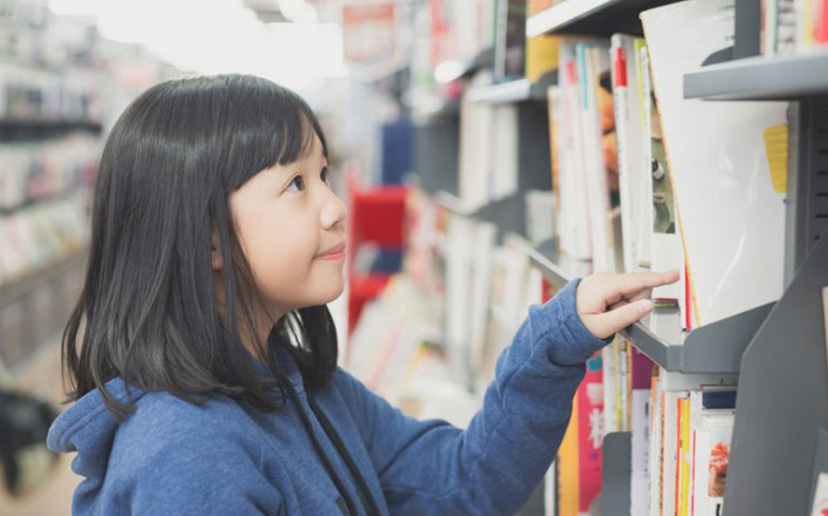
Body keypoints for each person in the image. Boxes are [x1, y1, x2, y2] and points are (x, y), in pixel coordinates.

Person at [46, 74, 678, 516]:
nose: (334, 208)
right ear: (207, 238)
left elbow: (464, 485)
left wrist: (554, 341)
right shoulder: (188, 454)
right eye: (296, 184)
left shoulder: (298, 384)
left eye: (324, 173)